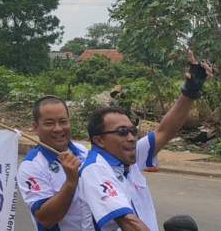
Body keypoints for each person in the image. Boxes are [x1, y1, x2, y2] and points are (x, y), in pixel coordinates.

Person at [77, 50, 212, 231]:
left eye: (133, 130)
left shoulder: (128, 158)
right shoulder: (95, 169)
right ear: (100, 140)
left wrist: (190, 91)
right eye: (122, 132)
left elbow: (164, 131)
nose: (131, 137)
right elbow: (128, 222)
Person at [17, 96, 87, 231]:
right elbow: (45, 219)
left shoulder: (83, 152)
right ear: (35, 127)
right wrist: (71, 182)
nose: (58, 129)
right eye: (49, 123)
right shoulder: (31, 167)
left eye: (63, 121)